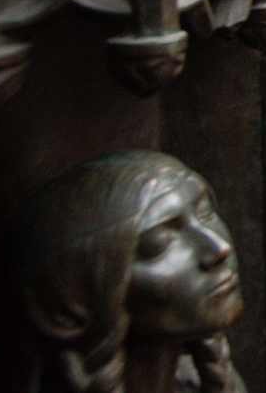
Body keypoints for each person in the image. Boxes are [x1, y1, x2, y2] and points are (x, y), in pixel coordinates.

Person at [15, 150, 246, 393]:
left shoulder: (197, 381)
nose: (219, 248)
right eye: (160, 242)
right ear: (77, 301)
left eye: (205, 212)